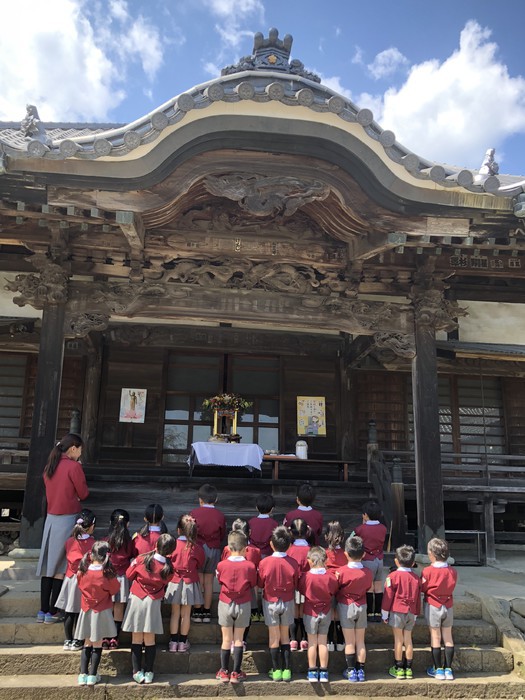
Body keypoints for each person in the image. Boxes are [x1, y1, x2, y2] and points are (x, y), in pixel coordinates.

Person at [36, 433, 88, 624]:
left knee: (48, 566)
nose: (81, 453)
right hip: (67, 518)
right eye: (80, 449)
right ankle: (53, 610)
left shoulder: (50, 465)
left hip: (51, 518)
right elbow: (83, 493)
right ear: (73, 448)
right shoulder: (74, 467)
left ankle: (42, 610)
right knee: (60, 566)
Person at [122, 533, 177, 684]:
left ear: (156, 545)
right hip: (153, 601)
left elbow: (128, 574)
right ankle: (149, 671)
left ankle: (136, 671)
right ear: (171, 551)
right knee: (150, 638)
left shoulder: (141, 559)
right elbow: (167, 582)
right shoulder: (169, 568)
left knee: (137, 638)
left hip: (137, 598)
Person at [75, 540, 120, 686]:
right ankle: (93, 675)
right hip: (102, 609)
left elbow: (80, 587)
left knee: (87, 642)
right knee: (98, 643)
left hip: (86, 608)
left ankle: (82, 674)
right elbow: (114, 589)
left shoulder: (82, 571)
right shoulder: (107, 574)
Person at [215, 530, 257, 684]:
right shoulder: (250, 566)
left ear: (228, 547)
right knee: (238, 639)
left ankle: (224, 671)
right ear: (245, 548)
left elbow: (219, 581)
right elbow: (253, 583)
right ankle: (236, 672)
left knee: (226, 639)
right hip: (243, 602)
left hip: (225, 602)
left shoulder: (221, 565)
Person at [257, 525, 298, 682]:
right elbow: (295, 582)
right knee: (285, 637)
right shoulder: (293, 563)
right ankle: (287, 670)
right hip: (287, 600)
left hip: (270, 601)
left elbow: (260, 583)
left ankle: (276, 671)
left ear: (271, 544)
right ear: (289, 545)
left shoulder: (265, 562)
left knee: (273, 637)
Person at [55, 508, 96, 651]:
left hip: (70, 578)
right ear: (92, 526)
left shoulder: (70, 541)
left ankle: (68, 640)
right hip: (84, 579)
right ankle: (78, 640)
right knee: (80, 611)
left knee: (69, 611)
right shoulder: (92, 544)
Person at [335, 535, 373, 683]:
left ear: (346, 553)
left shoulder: (341, 571)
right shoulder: (368, 572)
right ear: (363, 554)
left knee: (349, 642)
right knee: (360, 641)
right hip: (361, 605)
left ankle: (351, 671)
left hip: (346, 605)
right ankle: (361, 671)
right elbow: (368, 587)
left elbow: (337, 587)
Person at [381, 544, 422, 680]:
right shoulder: (416, 578)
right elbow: (417, 598)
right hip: (411, 611)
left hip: (397, 610)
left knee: (398, 640)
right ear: (413, 562)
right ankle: (409, 669)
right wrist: (416, 613)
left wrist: (384, 613)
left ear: (396, 561)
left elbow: (388, 597)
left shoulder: (392, 576)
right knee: (408, 639)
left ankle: (399, 668)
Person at [165, 514, 204, 653]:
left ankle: (173, 642)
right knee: (186, 614)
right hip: (190, 582)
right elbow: (200, 563)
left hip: (174, 581)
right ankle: (182, 643)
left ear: (178, 530)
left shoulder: (172, 545)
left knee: (175, 614)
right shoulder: (197, 548)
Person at [299, 545, 338, 683]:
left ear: (310, 560)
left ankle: (312, 671)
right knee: (323, 642)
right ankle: (324, 671)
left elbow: (302, 590)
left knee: (312, 642)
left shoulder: (305, 577)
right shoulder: (331, 577)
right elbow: (333, 590)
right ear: (326, 560)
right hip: (326, 611)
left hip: (310, 611)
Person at [422, 538, 458, 681]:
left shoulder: (427, 571)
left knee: (435, 637)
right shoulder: (452, 571)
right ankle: (448, 669)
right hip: (448, 604)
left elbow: (423, 587)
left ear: (431, 554)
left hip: (433, 605)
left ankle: (437, 669)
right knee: (448, 637)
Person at [190, 483, 226, 623]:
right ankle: (206, 611)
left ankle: (197, 610)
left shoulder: (194, 513)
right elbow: (222, 534)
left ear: (200, 500)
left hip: (198, 548)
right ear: (215, 500)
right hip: (214, 548)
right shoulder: (220, 515)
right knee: (209, 581)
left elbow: (191, 532)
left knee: (198, 580)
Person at [103, 508, 137, 649]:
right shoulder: (129, 542)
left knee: (107, 607)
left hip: (108, 577)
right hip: (122, 577)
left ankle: (105, 636)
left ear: (110, 523)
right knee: (119, 607)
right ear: (127, 524)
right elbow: (132, 554)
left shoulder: (106, 541)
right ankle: (114, 638)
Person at [221, 518, 261, 633]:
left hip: (229, 587)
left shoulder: (227, 549)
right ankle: (243, 640)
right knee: (245, 616)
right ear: (250, 532)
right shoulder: (255, 551)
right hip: (247, 587)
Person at [354, 500, 387, 622]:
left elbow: (352, 538)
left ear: (365, 515)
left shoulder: (360, 529)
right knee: (378, 586)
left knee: (369, 587)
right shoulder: (383, 528)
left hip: (367, 559)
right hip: (379, 559)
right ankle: (378, 613)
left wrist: (363, 524)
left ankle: (369, 613)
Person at [286, 518, 311, 651]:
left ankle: (293, 639)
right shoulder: (310, 550)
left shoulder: (290, 550)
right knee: (305, 611)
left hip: (294, 584)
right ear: (307, 531)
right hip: (307, 585)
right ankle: (305, 639)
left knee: (295, 611)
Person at [324, 520, 347, 652]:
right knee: (339, 613)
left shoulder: (325, 554)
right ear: (342, 537)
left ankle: (330, 640)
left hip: (329, 585)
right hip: (343, 585)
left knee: (330, 612)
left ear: (326, 536)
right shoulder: (345, 554)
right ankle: (340, 639)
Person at [248, 493, 279, 558]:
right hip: (269, 554)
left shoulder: (251, 522)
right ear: (272, 509)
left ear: (256, 508)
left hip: (252, 554)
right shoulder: (274, 524)